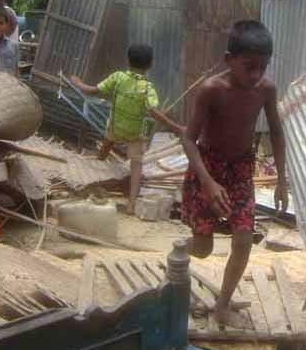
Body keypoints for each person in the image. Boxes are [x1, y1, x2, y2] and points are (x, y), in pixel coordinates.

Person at [181, 20, 288, 328]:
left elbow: (277, 132)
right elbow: (188, 139)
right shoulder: (211, 90)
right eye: (249, 67)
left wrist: (281, 180)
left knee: (243, 239)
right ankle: (178, 253)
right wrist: (208, 182)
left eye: (263, 67)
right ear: (229, 60)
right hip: (207, 169)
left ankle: (222, 306)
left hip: (241, 170)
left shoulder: (266, 90)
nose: (256, 75)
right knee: (203, 248)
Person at [69, 44, 183, 214]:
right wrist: (176, 127)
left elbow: (92, 90)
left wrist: (77, 82)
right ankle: (131, 203)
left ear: (128, 61)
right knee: (137, 165)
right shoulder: (147, 88)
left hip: (116, 126)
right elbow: (153, 111)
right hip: (134, 133)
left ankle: (93, 173)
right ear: (150, 64)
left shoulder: (118, 77)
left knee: (107, 143)